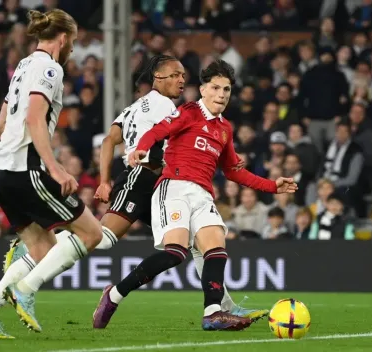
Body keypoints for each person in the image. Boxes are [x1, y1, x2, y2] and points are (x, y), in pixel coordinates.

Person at [3, 54, 268, 327]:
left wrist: (105, 180)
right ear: (159, 78)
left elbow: (109, 140)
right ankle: (37, 248)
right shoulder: (166, 106)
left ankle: (221, 307)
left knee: (195, 244)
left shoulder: (135, 108)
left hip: (156, 182)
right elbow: (163, 138)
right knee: (102, 237)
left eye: (183, 77)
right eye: (176, 76)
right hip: (143, 178)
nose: (181, 81)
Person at [93, 60, 298, 331]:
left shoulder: (225, 129)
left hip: (202, 194)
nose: (221, 95)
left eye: (226, 90)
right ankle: (115, 294)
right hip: (173, 188)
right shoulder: (188, 112)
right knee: (175, 253)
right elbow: (158, 131)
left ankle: (213, 311)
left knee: (216, 247)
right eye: (215, 88)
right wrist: (141, 149)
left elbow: (234, 172)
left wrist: (273, 186)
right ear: (203, 90)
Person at [0, 9, 103, 339]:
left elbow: (2, 124)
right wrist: (54, 168)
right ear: (64, 39)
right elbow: (35, 119)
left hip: (0, 169)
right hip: (24, 170)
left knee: (41, 251)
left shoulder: (24, 65)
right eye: (73, 42)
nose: (72, 49)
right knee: (92, 233)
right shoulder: (49, 68)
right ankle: (25, 290)